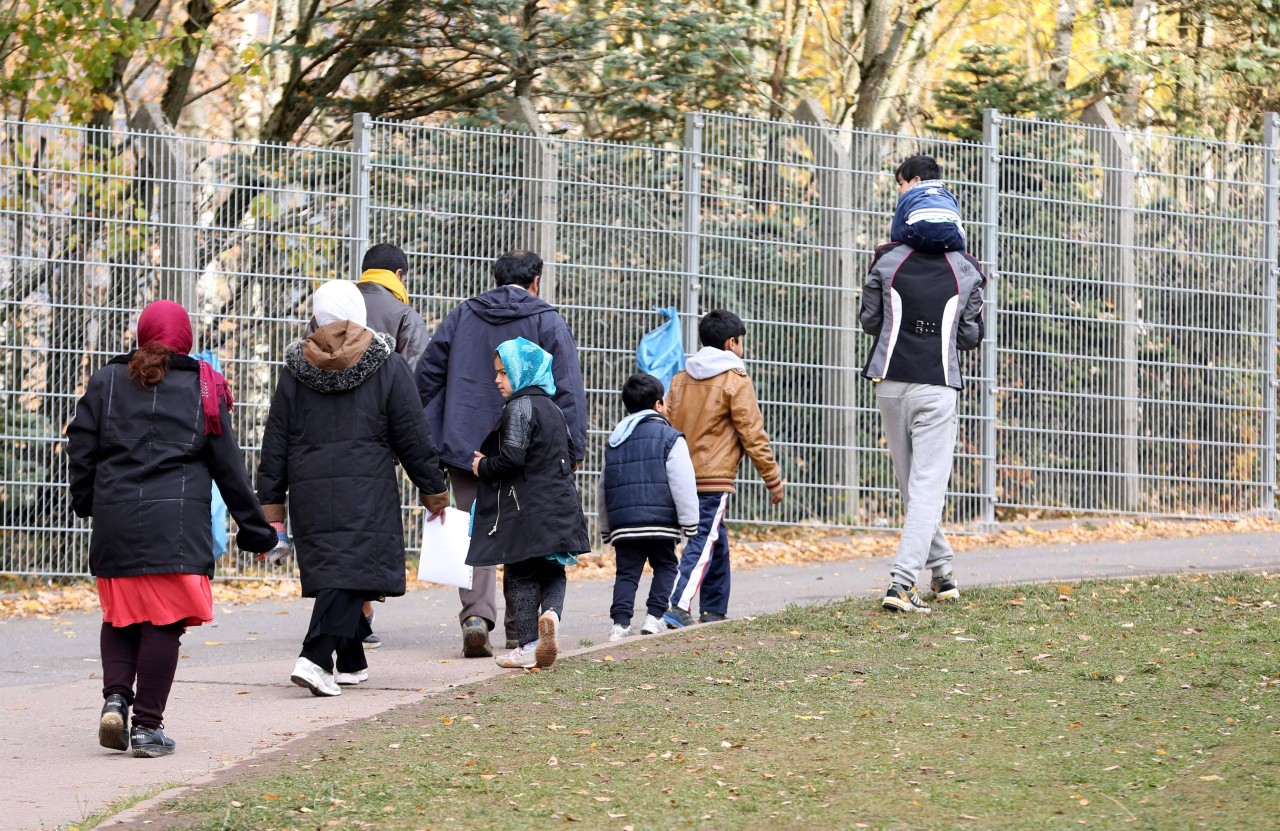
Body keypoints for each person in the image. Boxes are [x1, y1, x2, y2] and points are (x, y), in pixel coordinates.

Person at [66, 300, 278, 758]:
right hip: (176, 529)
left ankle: (116, 700)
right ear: (187, 338)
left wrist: (87, 502)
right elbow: (229, 468)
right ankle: (146, 727)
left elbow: (81, 448)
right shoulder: (203, 387)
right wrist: (256, 530)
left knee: (120, 618)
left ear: (142, 334)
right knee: (164, 623)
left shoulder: (106, 381)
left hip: (116, 523)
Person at [257, 281, 449, 696]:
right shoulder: (389, 365)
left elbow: (276, 442)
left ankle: (350, 660)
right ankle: (314, 656)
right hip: (367, 492)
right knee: (352, 571)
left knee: (338, 569)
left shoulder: (295, 370)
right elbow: (413, 438)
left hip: (309, 492)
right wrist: (434, 491)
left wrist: (273, 507)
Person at [416, 249, 587, 658]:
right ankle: (519, 630)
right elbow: (567, 386)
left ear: (496, 279)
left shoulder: (462, 315)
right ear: (536, 281)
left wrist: (426, 433)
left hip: (466, 444)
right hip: (531, 450)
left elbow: (427, 377)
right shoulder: (547, 318)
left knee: (477, 527)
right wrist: (573, 445)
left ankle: (476, 616)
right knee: (523, 530)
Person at [860, 232, 987, 613]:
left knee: (912, 486)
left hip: (890, 383)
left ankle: (943, 573)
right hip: (937, 384)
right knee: (927, 488)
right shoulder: (967, 266)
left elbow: (869, 320)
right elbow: (969, 335)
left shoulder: (886, 257)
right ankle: (901, 582)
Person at [466, 337, 591, 669]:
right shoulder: (554, 409)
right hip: (559, 504)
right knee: (553, 569)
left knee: (520, 574)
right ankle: (550, 614)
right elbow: (567, 454)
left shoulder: (518, 407)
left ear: (522, 373)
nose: (497, 380)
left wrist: (483, 466)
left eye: (504, 373)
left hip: (524, 508)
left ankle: (528, 644)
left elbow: (511, 458)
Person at [661, 310, 784, 629]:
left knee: (716, 537)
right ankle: (677, 603)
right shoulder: (735, 379)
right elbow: (752, 433)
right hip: (714, 477)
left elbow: (668, 426)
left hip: (682, 473)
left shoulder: (680, 378)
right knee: (702, 538)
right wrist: (772, 478)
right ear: (731, 343)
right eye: (741, 343)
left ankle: (713, 608)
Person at [350, 243, 432, 649]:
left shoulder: (333, 307)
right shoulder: (406, 316)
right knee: (373, 522)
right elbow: (414, 383)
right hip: (379, 436)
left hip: (326, 434)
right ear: (399, 275)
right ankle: (362, 609)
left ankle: (353, 610)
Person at [597, 373, 698, 641]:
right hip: (660, 522)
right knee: (666, 566)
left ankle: (620, 624)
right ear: (657, 405)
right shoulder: (670, 437)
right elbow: (682, 481)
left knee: (627, 573)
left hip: (625, 523)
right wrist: (690, 521)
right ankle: (654, 617)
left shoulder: (615, 440)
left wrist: (606, 527)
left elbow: (603, 486)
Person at [890, 154, 967, 255]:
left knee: (901, 231)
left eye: (901, 184)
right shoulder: (948, 196)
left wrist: (893, 246)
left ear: (917, 180)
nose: (900, 190)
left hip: (920, 229)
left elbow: (896, 227)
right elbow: (957, 221)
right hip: (950, 233)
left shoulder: (909, 195)